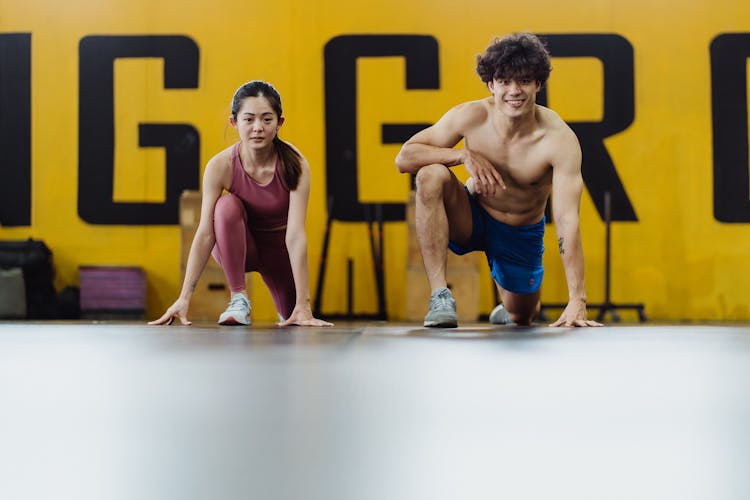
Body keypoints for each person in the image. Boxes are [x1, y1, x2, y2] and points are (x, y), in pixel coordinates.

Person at [395, 33, 602, 328]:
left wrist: (577, 300)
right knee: (431, 174)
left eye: (524, 81)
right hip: (469, 216)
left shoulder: (558, 140)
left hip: (518, 232)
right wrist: (462, 156)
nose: (513, 91)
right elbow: (405, 158)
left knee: (521, 317)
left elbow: (568, 219)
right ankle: (440, 295)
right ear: (491, 85)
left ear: (538, 84)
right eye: (504, 81)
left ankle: (512, 303)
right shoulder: (471, 116)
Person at [150, 80, 333, 327]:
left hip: (278, 252)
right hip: (236, 247)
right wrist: (184, 298)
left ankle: (293, 307)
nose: (257, 127)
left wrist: (304, 304)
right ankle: (239, 298)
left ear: (280, 123)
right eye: (249, 120)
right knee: (225, 206)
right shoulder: (220, 166)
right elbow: (205, 233)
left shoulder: (296, 164)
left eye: (267, 120)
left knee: (293, 320)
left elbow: (296, 235)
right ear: (234, 123)